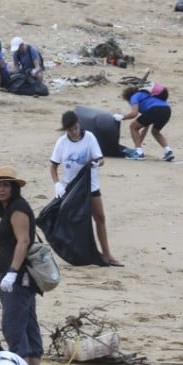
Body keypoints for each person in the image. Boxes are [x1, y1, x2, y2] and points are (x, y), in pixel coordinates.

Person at [0, 165, 44, 365]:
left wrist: (12, 272)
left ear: (13, 188)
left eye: (5, 185)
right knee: (28, 323)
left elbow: (24, 241)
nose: (0, 189)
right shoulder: (10, 208)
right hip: (17, 275)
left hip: (19, 277)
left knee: (13, 326)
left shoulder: (17, 208)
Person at [50, 110, 121, 266]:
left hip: (90, 185)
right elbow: (53, 166)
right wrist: (57, 184)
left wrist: (97, 163)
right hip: (71, 187)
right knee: (75, 221)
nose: (74, 132)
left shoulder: (89, 137)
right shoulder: (62, 143)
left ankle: (107, 254)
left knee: (100, 217)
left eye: (75, 128)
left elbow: (100, 159)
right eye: (70, 130)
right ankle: (79, 253)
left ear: (78, 124)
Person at [117, 86, 174, 162]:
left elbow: (134, 113)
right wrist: (138, 145)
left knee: (133, 126)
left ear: (128, 98)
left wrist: (121, 117)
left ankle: (139, 153)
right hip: (167, 110)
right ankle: (168, 151)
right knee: (155, 132)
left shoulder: (134, 97)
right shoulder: (146, 97)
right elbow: (145, 127)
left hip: (155, 109)